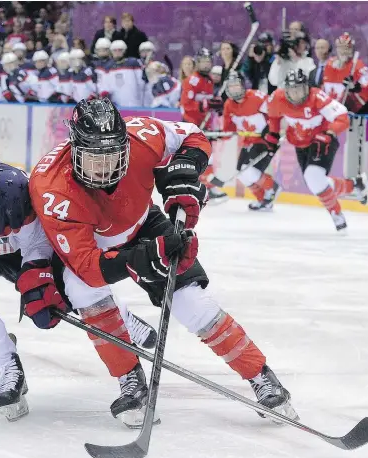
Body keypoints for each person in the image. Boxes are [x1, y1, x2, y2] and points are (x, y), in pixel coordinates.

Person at [28, 97, 299, 426]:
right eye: (95, 158)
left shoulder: (142, 134)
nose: (105, 167)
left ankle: (261, 376)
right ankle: (131, 381)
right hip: (93, 246)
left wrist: (184, 171)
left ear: (126, 145)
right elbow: (88, 266)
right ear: (74, 149)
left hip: (144, 223)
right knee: (84, 290)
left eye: (113, 155)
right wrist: (136, 261)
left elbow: (193, 135)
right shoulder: (51, 186)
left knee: (191, 302)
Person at [0, 130, 158, 422]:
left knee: (75, 286)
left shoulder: (13, 188)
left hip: (23, 252)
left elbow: (42, 239)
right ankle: (5, 366)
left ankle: (124, 336)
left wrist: (39, 272)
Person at [266, 69, 367, 232]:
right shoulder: (277, 98)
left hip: (323, 141)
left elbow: (342, 117)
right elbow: (274, 116)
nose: (297, 93)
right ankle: (354, 185)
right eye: (292, 89)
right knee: (316, 183)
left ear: (307, 87)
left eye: (300, 88)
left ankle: (336, 213)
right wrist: (273, 134)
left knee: (314, 178)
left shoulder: (317, 97)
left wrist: (329, 132)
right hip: (301, 144)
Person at [223, 71, 281, 210]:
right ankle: (263, 201)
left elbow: (276, 113)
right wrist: (217, 135)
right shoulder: (229, 105)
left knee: (248, 171)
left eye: (237, 85)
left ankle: (272, 187)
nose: (234, 89)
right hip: (248, 142)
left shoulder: (257, 97)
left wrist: (273, 132)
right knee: (241, 175)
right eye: (231, 86)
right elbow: (228, 131)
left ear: (243, 86)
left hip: (265, 140)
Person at [179, 48, 227, 204]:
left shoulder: (209, 81)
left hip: (206, 125)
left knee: (208, 157)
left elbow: (209, 104)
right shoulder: (191, 80)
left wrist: (217, 106)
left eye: (208, 61)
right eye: (203, 61)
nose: (206, 65)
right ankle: (202, 188)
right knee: (201, 157)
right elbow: (186, 105)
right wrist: (205, 104)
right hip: (193, 126)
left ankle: (207, 188)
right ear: (197, 63)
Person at [322, 33, 368, 113]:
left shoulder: (358, 66)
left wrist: (355, 87)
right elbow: (325, 88)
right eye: (341, 48)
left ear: (351, 49)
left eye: (346, 48)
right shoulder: (329, 64)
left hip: (355, 111)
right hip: (333, 111)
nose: (343, 51)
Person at [101, 40, 144, 107]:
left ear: (124, 51)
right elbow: (105, 85)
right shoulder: (108, 66)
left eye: (120, 50)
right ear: (111, 52)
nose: (117, 52)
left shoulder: (133, 62)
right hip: (116, 103)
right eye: (115, 50)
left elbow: (141, 82)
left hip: (134, 101)